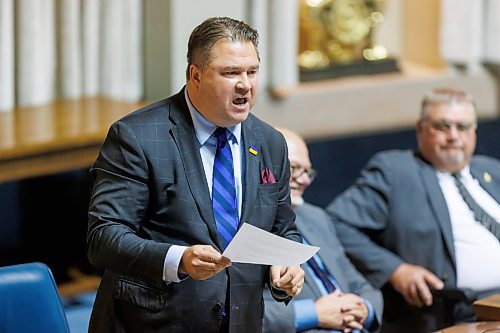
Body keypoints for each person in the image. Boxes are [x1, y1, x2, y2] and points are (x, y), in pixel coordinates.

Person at [86, 17, 305, 333]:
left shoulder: (269, 142)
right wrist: (179, 259)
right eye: (231, 73)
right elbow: (104, 236)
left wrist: (287, 266)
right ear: (195, 75)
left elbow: (284, 229)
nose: (246, 84)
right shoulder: (138, 137)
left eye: (252, 71)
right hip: (154, 324)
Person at [326, 88, 500, 332]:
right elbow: (333, 223)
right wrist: (396, 270)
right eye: (442, 127)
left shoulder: (491, 170)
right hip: (457, 314)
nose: (454, 136)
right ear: (421, 129)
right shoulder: (396, 171)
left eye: (462, 127)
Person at [263, 128, 383, 333]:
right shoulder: (240, 226)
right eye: (294, 168)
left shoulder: (316, 217)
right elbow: (235, 314)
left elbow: (362, 286)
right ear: (263, 167)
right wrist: (314, 313)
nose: (305, 181)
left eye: (307, 172)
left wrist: (364, 309)